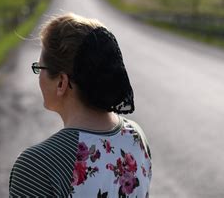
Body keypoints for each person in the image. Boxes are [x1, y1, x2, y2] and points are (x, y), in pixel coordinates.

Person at [9, 13, 152, 197]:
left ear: (61, 82)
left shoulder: (37, 165)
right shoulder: (136, 137)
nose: (39, 75)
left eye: (39, 68)